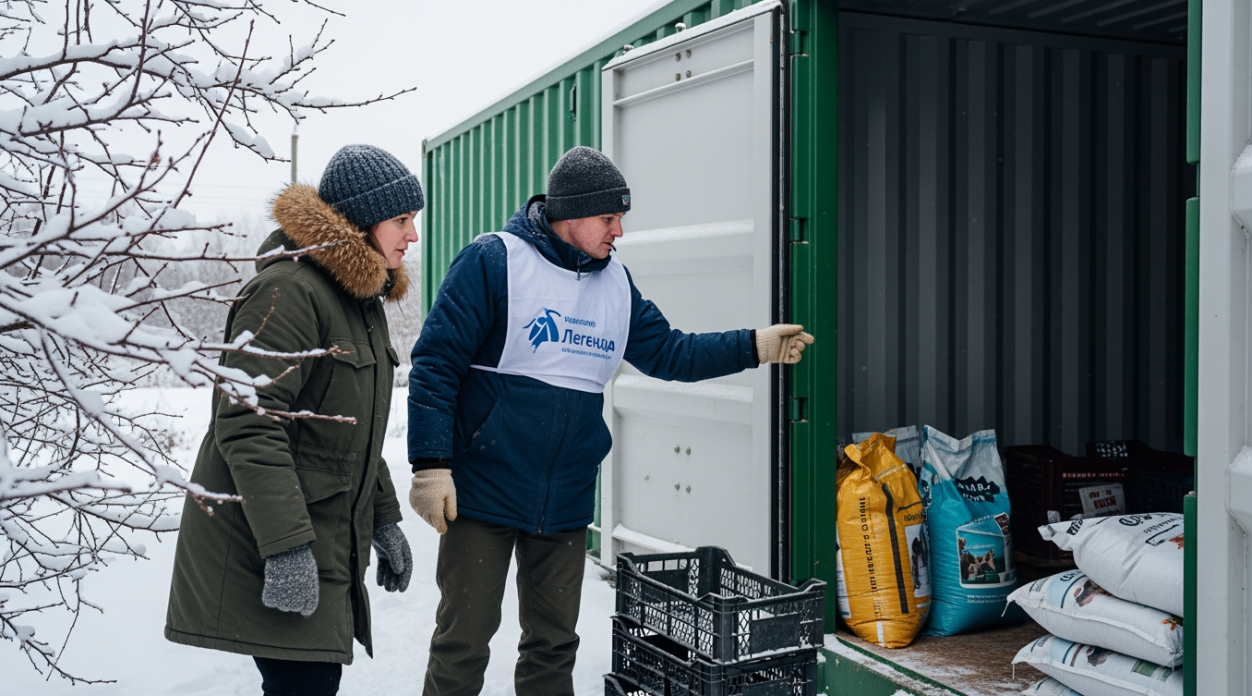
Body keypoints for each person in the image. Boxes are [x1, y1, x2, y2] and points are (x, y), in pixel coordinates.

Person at [406, 145, 813, 696]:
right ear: (571, 215)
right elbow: (436, 362)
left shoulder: (615, 286)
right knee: (464, 642)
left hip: (566, 499)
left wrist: (755, 345)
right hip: (484, 492)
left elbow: (673, 354)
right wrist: (431, 466)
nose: (619, 231)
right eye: (609, 218)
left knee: (553, 646)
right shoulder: (494, 261)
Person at [165, 145, 422, 696]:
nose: (412, 235)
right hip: (277, 538)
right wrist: (285, 547)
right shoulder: (289, 291)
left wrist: (382, 518)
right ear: (360, 219)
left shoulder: (358, 300)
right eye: (402, 220)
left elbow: (351, 430)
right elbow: (248, 423)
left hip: (320, 534)